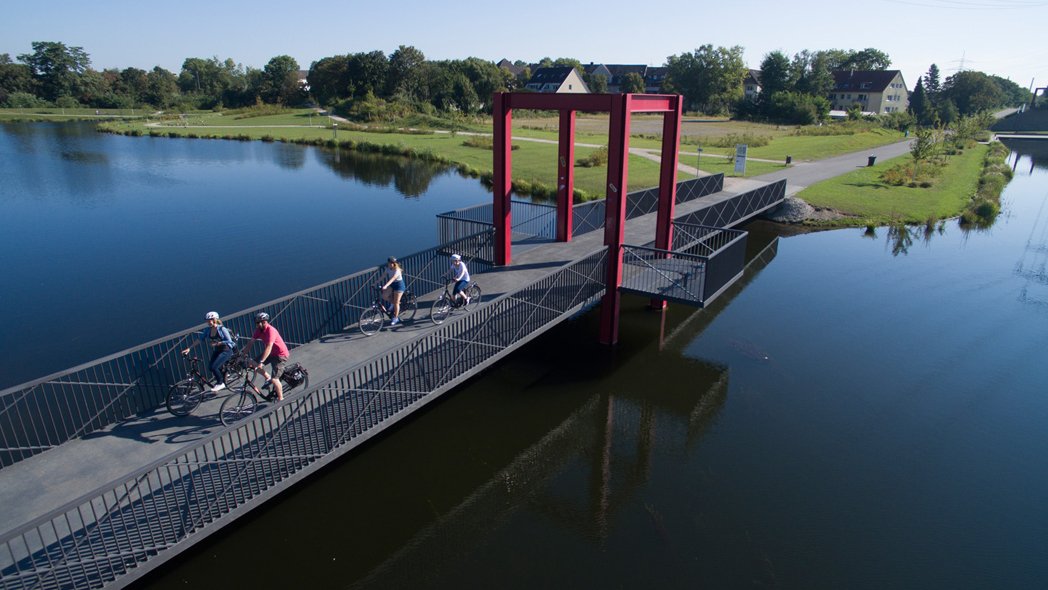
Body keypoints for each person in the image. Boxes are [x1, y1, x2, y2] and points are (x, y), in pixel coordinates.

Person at [181, 311, 236, 392]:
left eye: (210, 320)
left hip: (226, 350)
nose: (208, 322)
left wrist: (218, 343)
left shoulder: (222, 329)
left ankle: (221, 383)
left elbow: (230, 341)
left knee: (214, 367)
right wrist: (189, 348)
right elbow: (200, 339)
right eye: (207, 320)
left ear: (215, 319)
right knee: (210, 367)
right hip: (218, 350)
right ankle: (224, 376)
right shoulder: (207, 330)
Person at [251, 312, 290, 401]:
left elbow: (269, 347)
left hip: (280, 355)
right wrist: (243, 354)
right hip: (271, 353)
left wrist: (261, 362)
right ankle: (267, 377)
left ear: (264, 322)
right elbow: (251, 342)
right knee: (252, 363)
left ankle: (281, 400)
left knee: (275, 379)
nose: (256, 325)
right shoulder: (259, 330)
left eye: (258, 323)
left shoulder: (271, 330)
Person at [380, 256, 406, 326]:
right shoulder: (388, 269)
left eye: (392, 263)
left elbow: (392, 279)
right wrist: (375, 282)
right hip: (393, 285)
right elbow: (383, 276)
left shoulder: (397, 270)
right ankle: (393, 303)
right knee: (384, 296)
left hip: (399, 286)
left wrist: (385, 286)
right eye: (389, 263)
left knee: (396, 303)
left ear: (394, 264)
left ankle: (396, 318)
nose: (390, 264)